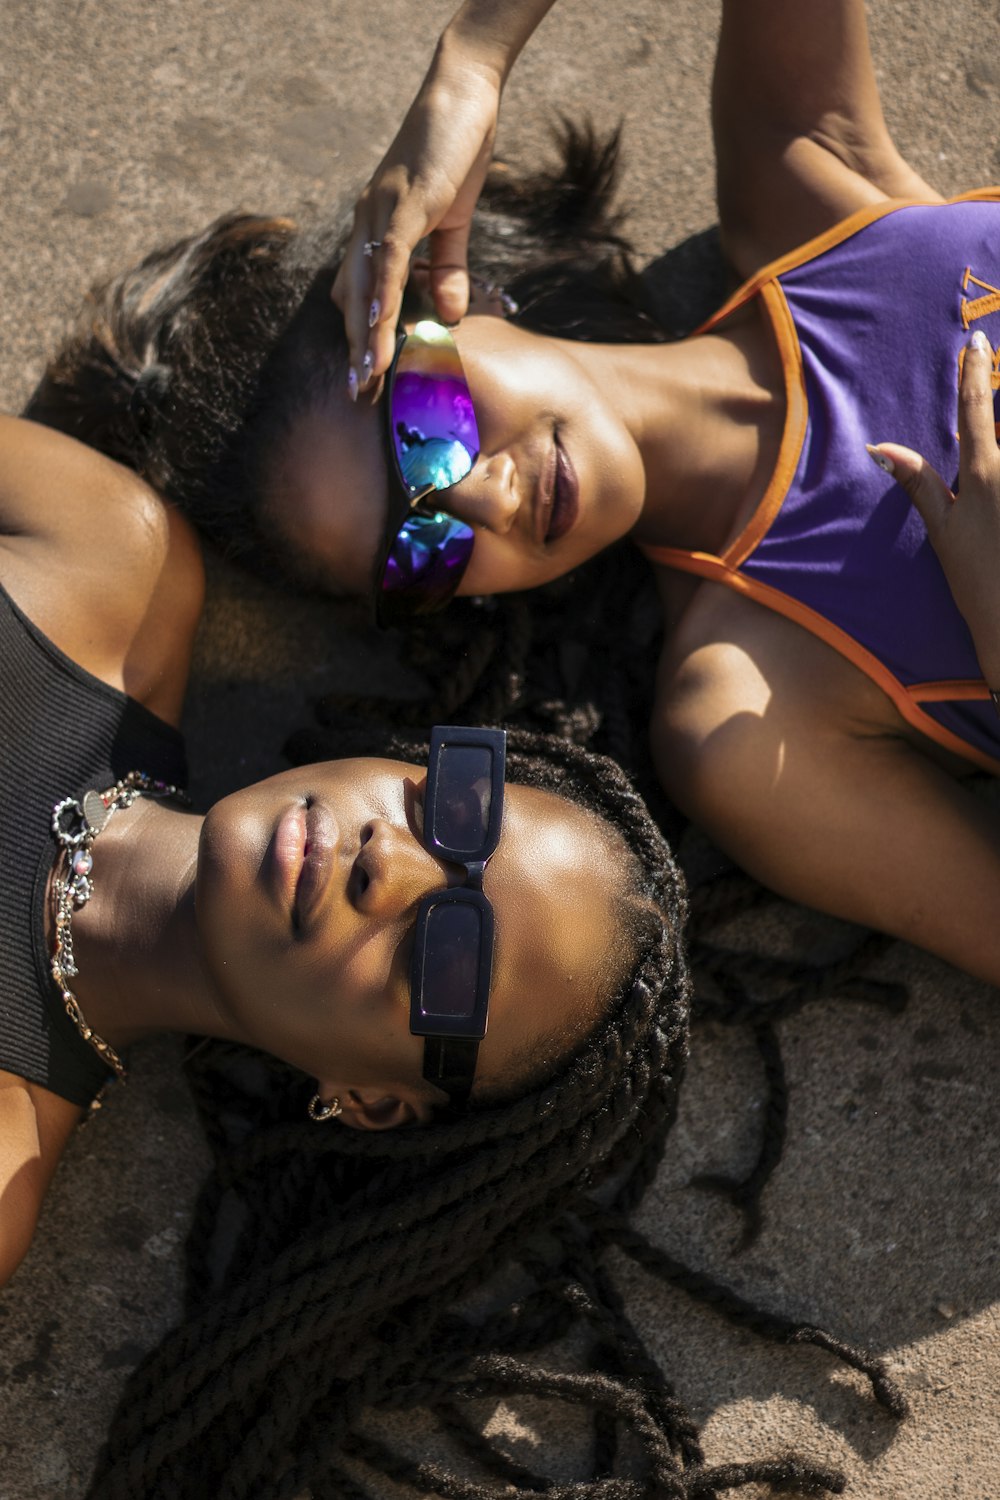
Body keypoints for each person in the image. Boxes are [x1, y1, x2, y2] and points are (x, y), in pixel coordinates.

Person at [25, 0, 1000, 994]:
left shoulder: (813, 188)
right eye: (420, 546)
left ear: (459, 290)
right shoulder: (752, 714)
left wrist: (474, 60)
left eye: (431, 426)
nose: (482, 502)